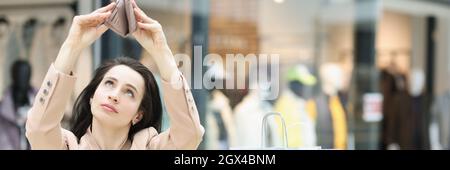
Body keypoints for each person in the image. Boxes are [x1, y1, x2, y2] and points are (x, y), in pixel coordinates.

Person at [25, 1, 204, 150]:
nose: (114, 95)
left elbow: (190, 134)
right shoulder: (67, 147)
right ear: (92, 97)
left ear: (138, 115)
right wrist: (72, 45)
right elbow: (39, 129)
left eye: (129, 92)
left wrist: (161, 52)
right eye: (109, 83)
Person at [0, 60, 37, 150]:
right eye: (20, 74)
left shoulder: (38, 105)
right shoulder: (4, 109)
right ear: (13, 76)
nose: (23, 78)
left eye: (26, 74)